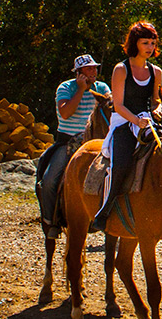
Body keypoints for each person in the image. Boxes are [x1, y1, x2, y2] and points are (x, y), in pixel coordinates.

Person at [91, 22, 162, 232]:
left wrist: (157, 111)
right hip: (124, 122)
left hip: (147, 121)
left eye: (152, 43)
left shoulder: (156, 72)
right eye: (145, 43)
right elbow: (118, 105)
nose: (150, 47)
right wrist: (136, 120)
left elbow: (156, 100)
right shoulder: (121, 69)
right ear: (135, 44)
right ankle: (104, 212)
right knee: (121, 165)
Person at [37, 54, 112, 238]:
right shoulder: (66, 88)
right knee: (48, 181)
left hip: (96, 143)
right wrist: (80, 90)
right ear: (78, 73)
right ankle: (51, 220)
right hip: (68, 142)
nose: (93, 72)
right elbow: (65, 113)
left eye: (94, 68)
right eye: (89, 69)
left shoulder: (102, 88)